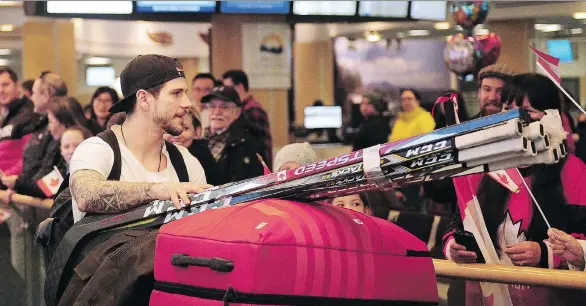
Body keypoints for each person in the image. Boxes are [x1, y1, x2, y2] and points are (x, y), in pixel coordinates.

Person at [443, 73, 586, 305]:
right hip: (484, 291)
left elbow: (582, 236)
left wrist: (543, 252)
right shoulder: (486, 167)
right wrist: (454, 247)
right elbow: (457, 224)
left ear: (551, 117)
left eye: (527, 112)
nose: (515, 119)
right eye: (508, 109)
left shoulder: (572, 170)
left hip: (550, 294)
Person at [70, 54, 210, 223]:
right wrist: (157, 191)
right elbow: (85, 195)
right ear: (143, 99)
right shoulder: (97, 149)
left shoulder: (186, 163)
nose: (187, 103)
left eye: (185, 93)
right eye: (176, 93)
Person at [201, 85, 265, 184]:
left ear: (237, 112)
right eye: (212, 106)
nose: (217, 112)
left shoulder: (247, 144)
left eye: (224, 107)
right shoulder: (198, 138)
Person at [222, 69, 273, 168]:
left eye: (228, 88)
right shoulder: (245, 109)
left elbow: (255, 146)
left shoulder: (252, 111)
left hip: (256, 169)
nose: (225, 93)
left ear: (240, 87)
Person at [164, 112, 223, 185]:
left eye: (185, 128)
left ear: (197, 131)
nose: (176, 135)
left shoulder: (203, 157)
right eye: (170, 129)